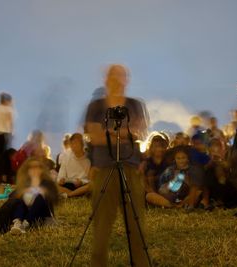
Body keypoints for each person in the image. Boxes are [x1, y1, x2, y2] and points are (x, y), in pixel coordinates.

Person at [85, 64, 149, 267]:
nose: (117, 79)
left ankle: (141, 262)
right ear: (105, 79)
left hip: (130, 167)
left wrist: (108, 132)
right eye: (113, 75)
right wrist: (123, 134)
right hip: (104, 169)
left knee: (136, 222)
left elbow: (138, 131)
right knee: (101, 225)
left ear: (127, 79)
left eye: (121, 75)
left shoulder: (134, 104)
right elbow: (94, 138)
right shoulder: (96, 106)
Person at [9, 158, 59, 235]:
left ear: (42, 169)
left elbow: (55, 198)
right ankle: (18, 223)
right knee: (20, 200)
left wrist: (43, 191)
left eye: (37, 167)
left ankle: (25, 224)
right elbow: (11, 196)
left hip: (42, 215)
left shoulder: (47, 183)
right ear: (27, 170)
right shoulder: (25, 184)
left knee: (40, 197)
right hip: (25, 213)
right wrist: (23, 192)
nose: (35, 170)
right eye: (31, 167)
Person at [57, 133, 91, 198]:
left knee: (90, 186)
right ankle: (76, 194)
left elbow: (90, 179)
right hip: (68, 184)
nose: (73, 146)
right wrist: (60, 180)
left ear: (82, 144)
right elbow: (60, 176)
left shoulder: (88, 159)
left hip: (82, 186)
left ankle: (69, 195)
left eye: (76, 143)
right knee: (53, 185)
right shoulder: (66, 157)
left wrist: (82, 182)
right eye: (72, 143)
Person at [141, 135, 170, 207]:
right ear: (152, 148)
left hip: (165, 191)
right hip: (151, 192)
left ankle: (166, 203)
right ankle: (170, 204)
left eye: (162, 146)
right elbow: (143, 182)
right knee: (150, 196)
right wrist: (153, 192)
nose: (160, 149)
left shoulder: (167, 162)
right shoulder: (146, 163)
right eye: (157, 146)